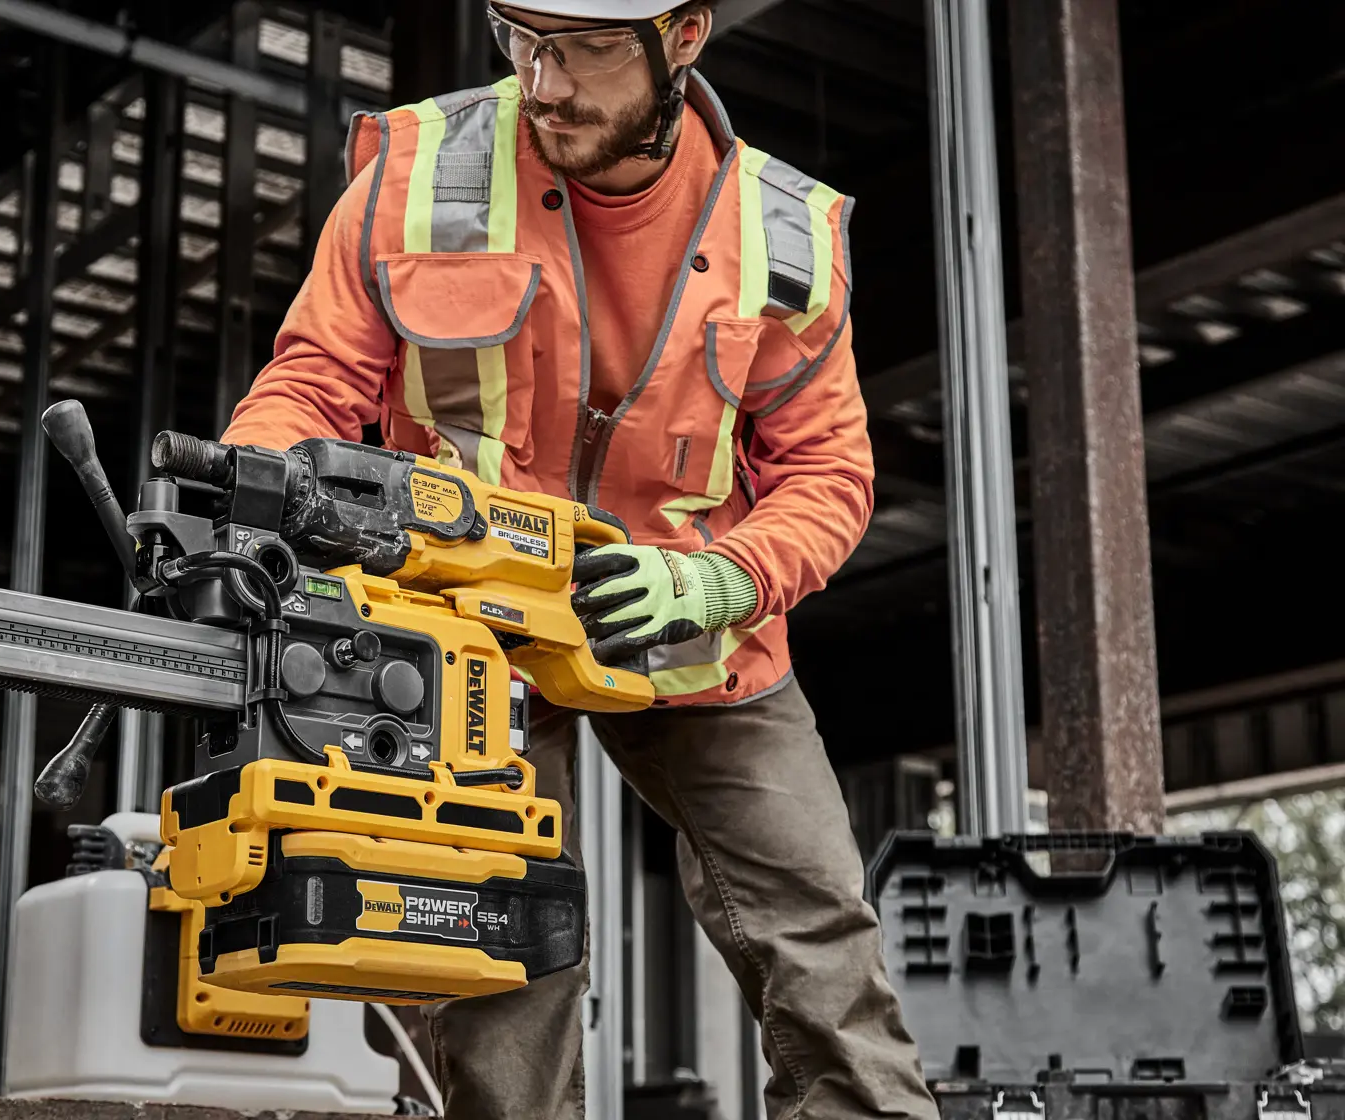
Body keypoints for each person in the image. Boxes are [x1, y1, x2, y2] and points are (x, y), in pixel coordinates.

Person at [220, 2, 938, 1116]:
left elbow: (828, 475)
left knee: (818, 928)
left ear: (684, 35)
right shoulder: (423, 174)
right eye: (522, 38)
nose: (545, 80)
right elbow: (313, 381)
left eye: (587, 47)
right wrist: (248, 504)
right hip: (469, 616)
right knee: (498, 925)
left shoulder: (784, 234)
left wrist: (722, 580)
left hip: (694, 630)